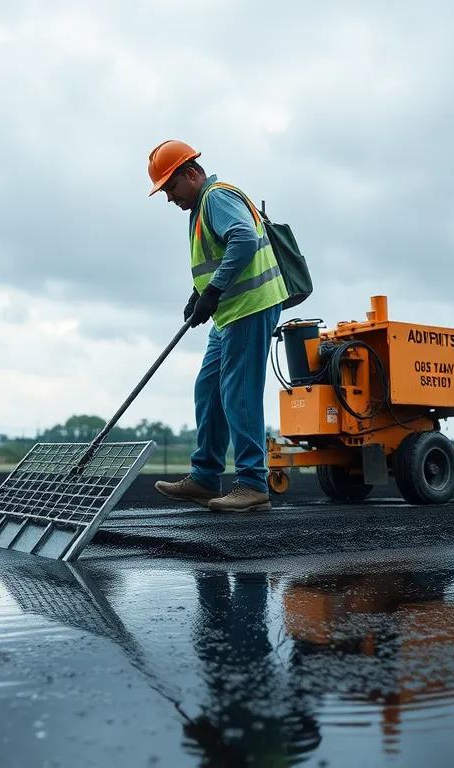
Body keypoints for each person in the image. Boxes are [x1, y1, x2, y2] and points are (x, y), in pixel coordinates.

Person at [147, 139, 287, 513]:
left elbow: (242, 238)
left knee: (238, 393)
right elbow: (219, 253)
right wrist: (199, 293)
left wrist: (214, 291)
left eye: (171, 187)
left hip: (249, 307)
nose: (169, 198)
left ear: (191, 174)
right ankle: (205, 477)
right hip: (229, 313)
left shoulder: (216, 198)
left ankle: (253, 484)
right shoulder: (201, 206)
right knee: (208, 388)